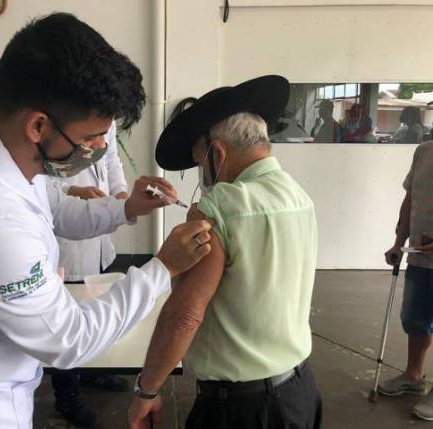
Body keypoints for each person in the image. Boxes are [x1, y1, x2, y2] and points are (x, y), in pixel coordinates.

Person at [0, 13, 213, 429]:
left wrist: (126, 208)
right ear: (38, 125)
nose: (98, 148)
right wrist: (162, 268)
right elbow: (70, 339)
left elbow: (53, 206)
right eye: (90, 138)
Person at [127, 75, 321, 429]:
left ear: (217, 153)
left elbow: (185, 315)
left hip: (241, 410)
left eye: (200, 162)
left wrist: (147, 390)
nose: (202, 174)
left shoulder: (219, 206)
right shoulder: (298, 195)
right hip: (300, 393)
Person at [49, 123, 130, 427]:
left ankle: (94, 371)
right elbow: (40, 178)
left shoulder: (106, 120)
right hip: (67, 232)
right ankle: (67, 395)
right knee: (66, 319)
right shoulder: (56, 117)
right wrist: (72, 190)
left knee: (96, 304)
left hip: (98, 229)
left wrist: (121, 194)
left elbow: (111, 159)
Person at [380, 141, 433, 421]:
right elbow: (411, 198)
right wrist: (399, 241)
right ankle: (413, 376)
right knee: (415, 318)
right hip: (419, 256)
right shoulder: (424, 151)